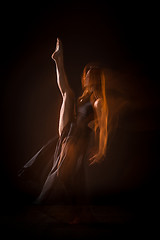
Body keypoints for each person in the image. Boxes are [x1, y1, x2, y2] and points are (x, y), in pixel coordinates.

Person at [18, 38, 108, 223]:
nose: (87, 78)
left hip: (77, 137)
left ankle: (43, 202)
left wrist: (101, 150)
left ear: (97, 79)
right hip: (70, 132)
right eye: (87, 75)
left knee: (61, 172)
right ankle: (57, 60)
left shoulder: (98, 101)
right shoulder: (84, 98)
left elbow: (103, 127)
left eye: (91, 76)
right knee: (67, 93)